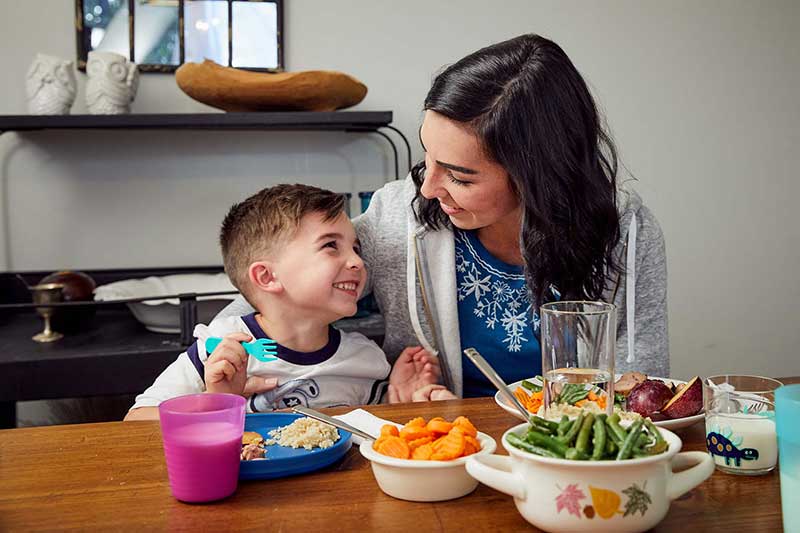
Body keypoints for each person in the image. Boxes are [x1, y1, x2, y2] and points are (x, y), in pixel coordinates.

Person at [215, 33, 669, 399]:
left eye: (460, 176)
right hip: (441, 448)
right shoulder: (399, 213)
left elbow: (641, 387)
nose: (429, 188)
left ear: (539, 176)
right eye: (427, 156)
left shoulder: (624, 232)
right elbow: (283, 288)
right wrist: (220, 351)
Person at [124, 184, 453, 421]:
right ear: (267, 277)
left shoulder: (364, 358)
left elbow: (375, 432)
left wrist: (401, 400)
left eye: (356, 248)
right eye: (330, 246)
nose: (357, 262)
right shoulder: (221, 348)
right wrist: (218, 402)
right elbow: (136, 422)